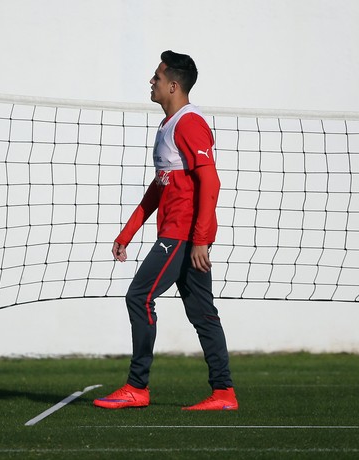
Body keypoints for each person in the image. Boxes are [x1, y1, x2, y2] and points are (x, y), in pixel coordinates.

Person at [93, 50, 238, 411]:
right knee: (204, 314)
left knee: (138, 296)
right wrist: (127, 232)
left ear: (173, 85)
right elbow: (159, 188)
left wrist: (201, 239)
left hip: (183, 235)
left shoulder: (189, 123)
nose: (151, 82)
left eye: (156, 77)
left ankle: (137, 387)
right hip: (180, 235)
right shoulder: (167, 126)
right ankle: (224, 394)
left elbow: (211, 181)